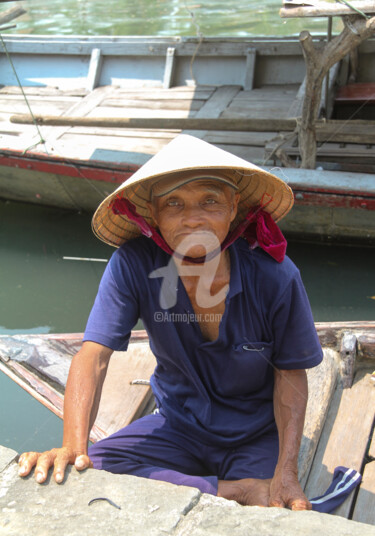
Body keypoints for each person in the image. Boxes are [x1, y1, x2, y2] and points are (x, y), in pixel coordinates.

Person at [19, 134, 323, 509]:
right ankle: (230, 490)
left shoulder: (275, 276)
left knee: (273, 502)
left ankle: (236, 485)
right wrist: (72, 447)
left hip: (255, 433)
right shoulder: (134, 263)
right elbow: (93, 355)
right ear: (155, 217)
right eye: (173, 204)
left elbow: (291, 374)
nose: (192, 218)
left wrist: (287, 472)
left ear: (233, 209)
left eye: (209, 201)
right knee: (95, 467)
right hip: (177, 424)